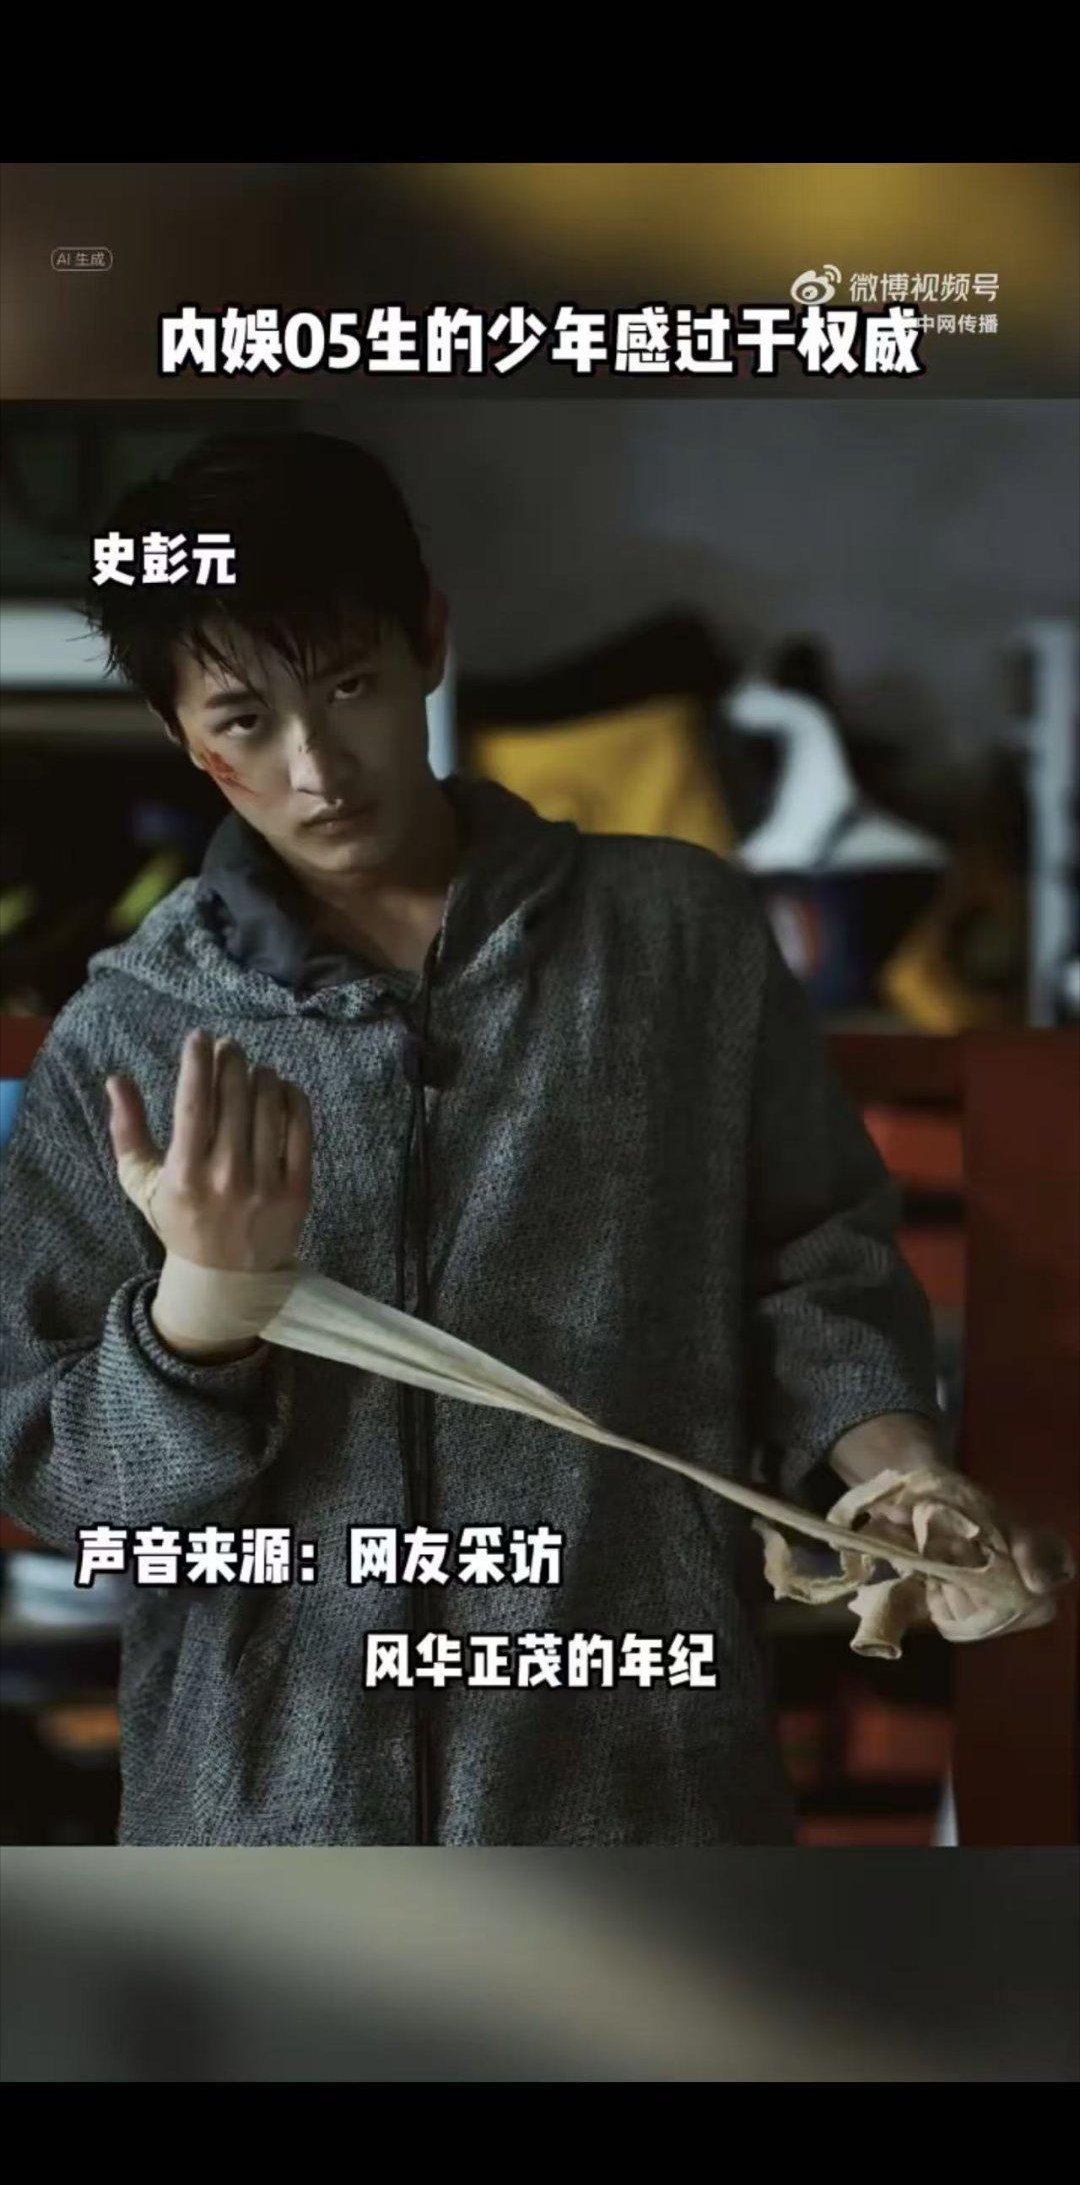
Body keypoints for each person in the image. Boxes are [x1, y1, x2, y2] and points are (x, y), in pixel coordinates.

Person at [1, 432, 1071, 1846]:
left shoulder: (674, 936)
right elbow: (57, 1477)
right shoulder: (125, 1036)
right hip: (266, 1816)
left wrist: (897, 1471)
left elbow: (814, 1264)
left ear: (429, 643)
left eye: (349, 687)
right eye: (245, 719)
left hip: (643, 1785)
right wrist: (195, 1321)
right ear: (178, 733)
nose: (316, 766)